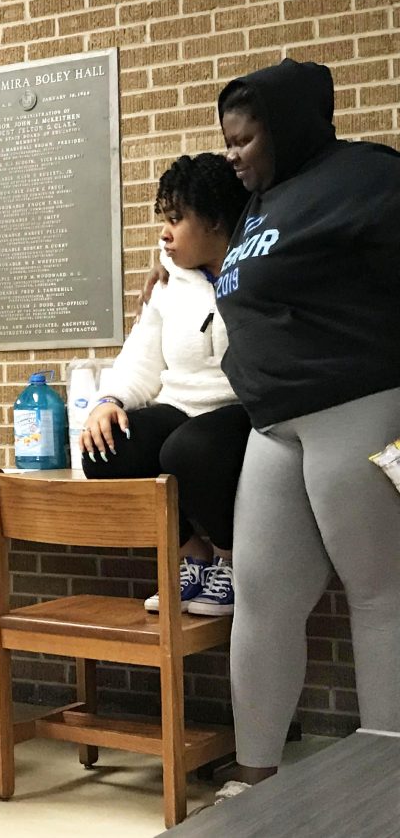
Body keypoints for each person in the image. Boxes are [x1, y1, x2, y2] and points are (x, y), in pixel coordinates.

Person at [210, 58, 400, 798]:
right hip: (275, 422)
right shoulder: (263, 200)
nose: (233, 154)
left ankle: (387, 785)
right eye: (227, 140)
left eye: (245, 139)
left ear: (287, 129)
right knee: (260, 597)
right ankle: (254, 781)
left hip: (361, 407)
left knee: (380, 595)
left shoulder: (370, 176)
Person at [82, 154, 250, 616]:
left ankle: (231, 561)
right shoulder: (167, 283)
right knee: (106, 447)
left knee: (188, 449)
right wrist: (108, 401)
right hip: (180, 407)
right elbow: (142, 356)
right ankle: (190, 553)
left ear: (216, 221)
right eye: (164, 219)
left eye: (177, 220)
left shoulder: (257, 272)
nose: (164, 233)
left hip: (239, 409)